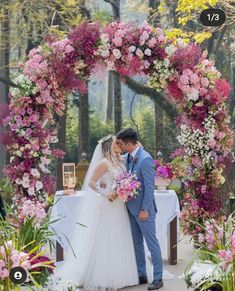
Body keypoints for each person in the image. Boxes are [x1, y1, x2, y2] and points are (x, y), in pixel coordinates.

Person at [55, 135, 138, 291]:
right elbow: (92, 183)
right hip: (108, 204)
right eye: (116, 143)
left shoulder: (120, 161)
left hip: (119, 205)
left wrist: (124, 188)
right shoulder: (104, 163)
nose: (119, 145)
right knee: (106, 238)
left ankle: (121, 274)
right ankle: (103, 275)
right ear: (108, 146)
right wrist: (106, 193)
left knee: (119, 236)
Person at [116, 128, 163, 290]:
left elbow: (150, 188)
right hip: (130, 209)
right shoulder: (128, 157)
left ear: (129, 144)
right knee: (136, 244)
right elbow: (114, 157)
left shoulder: (146, 159)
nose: (120, 147)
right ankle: (141, 274)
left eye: (121, 144)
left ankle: (158, 278)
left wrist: (145, 209)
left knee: (152, 244)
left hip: (144, 211)